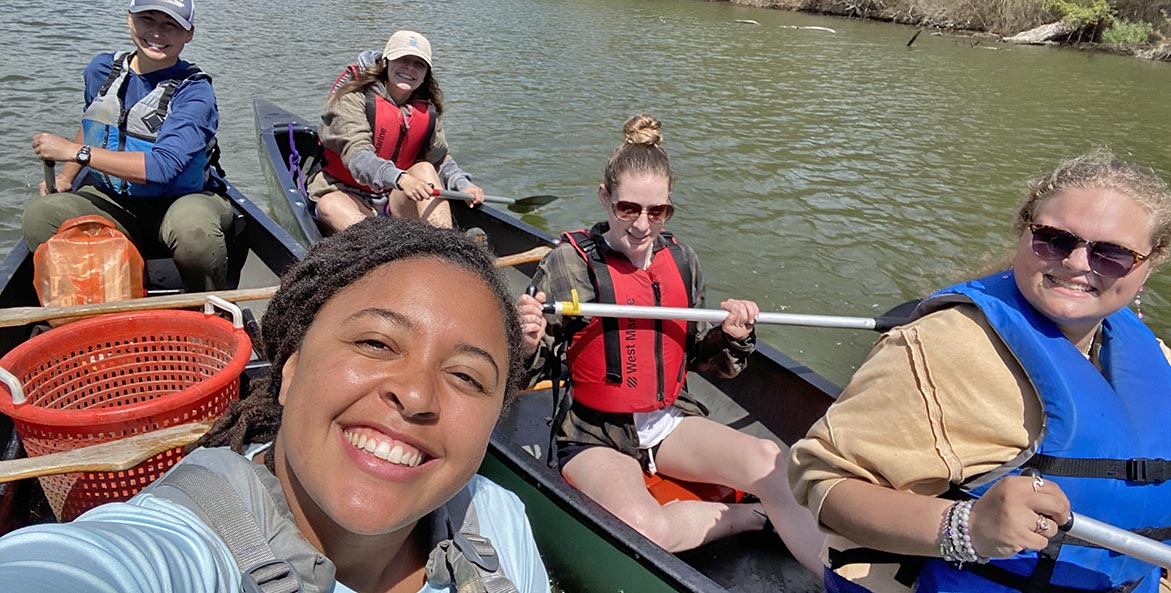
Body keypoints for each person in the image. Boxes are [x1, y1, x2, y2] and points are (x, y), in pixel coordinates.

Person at [0, 217, 550, 593]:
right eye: (376, 343)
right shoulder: (184, 549)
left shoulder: (496, 518)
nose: (417, 395)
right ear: (288, 371)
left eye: (467, 376)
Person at [788, 149, 1171, 593]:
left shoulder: (1156, 357)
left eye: (1112, 255)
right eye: (1055, 239)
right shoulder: (943, 347)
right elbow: (823, 485)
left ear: (1146, 269)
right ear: (1024, 234)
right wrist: (966, 526)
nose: (1076, 262)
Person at [514, 114, 824, 572]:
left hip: (668, 420)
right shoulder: (568, 265)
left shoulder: (683, 260)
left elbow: (699, 358)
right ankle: (750, 518)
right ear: (605, 198)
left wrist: (732, 336)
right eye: (628, 208)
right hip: (596, 433)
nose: (642, 225)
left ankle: (839, 583)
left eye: (656, 212)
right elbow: (526, 373)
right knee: (647, 528)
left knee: (772, 463)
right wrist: (525, 339)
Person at [24, 0, 235, 292]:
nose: (157, 33)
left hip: (180, 200)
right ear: (129, 20)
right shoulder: (102, 69)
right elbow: (94, 125)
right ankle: (90, 309)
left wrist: (76, 153)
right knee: (41, 215)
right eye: (148, 19)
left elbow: (163, 168)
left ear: (189, 34)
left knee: (195, 232)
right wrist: (66, 177)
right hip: (114, 200)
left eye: (171, 25)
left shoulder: (195, 92)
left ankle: (208, 306)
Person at [307, 30, 485, 235]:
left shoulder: (425, 108)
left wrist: (463, 185)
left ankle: (445, 245)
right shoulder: (352, 98)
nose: (410, 68)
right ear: (386, 62)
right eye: (402, 59)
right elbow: (358, 156)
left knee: (426, 169)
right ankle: (385, 247)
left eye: (419, 64)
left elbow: (440, 160)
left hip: (393, 198)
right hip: (343, 192)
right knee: (329, 205)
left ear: (426, 73)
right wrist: (401, 179)